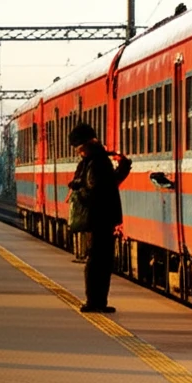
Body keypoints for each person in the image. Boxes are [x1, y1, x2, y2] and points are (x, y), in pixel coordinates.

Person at [67, 123, 131, 313]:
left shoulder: (94, 161)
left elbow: (97, 187)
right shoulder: (98, 160)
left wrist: (78, 187)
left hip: (97, 217)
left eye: (79, 147)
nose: (78, 151)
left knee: (98, 261)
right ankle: (95, 301)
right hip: (101, 218)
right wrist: (124, 166)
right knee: (99, 261)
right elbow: (106, 185)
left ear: (86, 144)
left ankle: (96, 301)